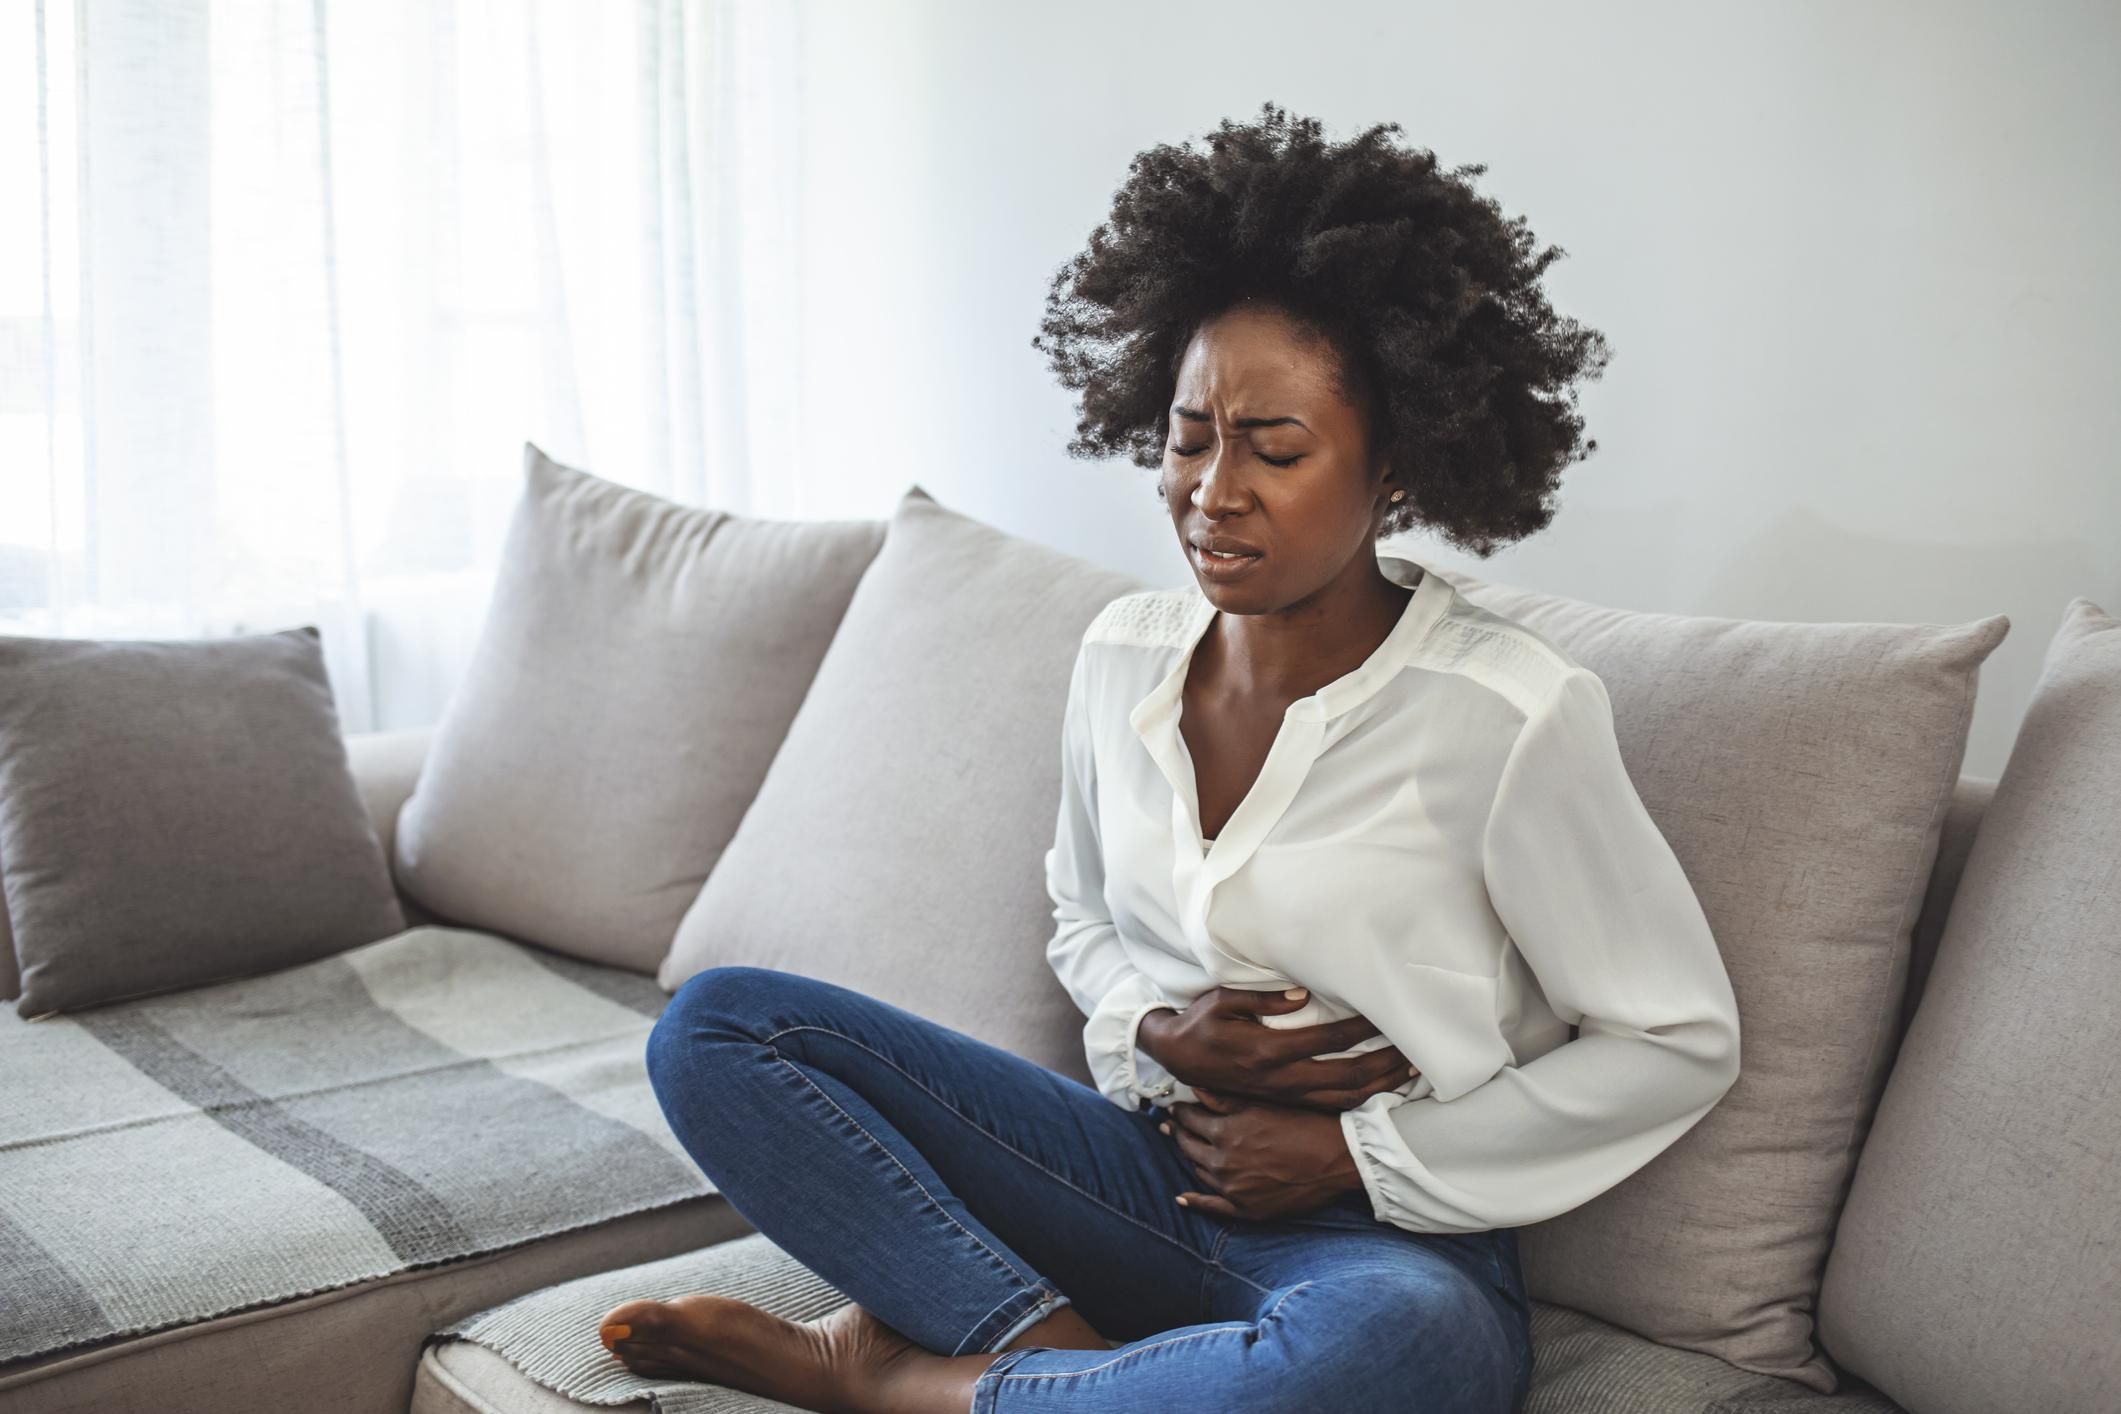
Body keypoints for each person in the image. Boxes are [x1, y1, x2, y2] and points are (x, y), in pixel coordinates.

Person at [594, 101, 1741, 1414]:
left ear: (1396, 473)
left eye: (1274, 448)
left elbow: (1672, 1039)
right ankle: (1071, 1366)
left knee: (1405, 1359)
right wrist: (1153, 1025)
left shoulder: (1505, 713)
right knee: (720, 1028)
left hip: (1389, 1245)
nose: (1211, 488)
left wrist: (1352, 1154)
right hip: (1132, 1171)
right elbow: (1079, 911)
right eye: (1190, 434)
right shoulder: (1121, 655)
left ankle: (906, 1382)